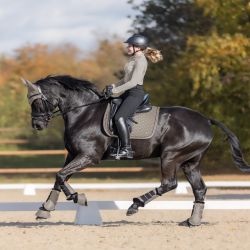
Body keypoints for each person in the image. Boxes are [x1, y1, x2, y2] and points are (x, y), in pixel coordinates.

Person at [105, 34, 163, 159]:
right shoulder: (133, 59)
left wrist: (115, 90)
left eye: (130, 45)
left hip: (135, 94)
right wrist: (112, 86)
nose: (128, 47)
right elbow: (125, 79)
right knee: (109, 107)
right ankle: (116, 143)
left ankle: (126, 149)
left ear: (138, 47)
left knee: (119, 117)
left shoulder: (141, 61)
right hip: (127, 92)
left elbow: (133, 82)